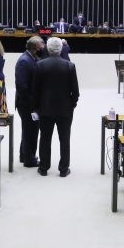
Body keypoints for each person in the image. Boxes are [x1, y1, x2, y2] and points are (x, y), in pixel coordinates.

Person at [31, 37, 79, 177]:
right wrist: (72, 105)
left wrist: (36, 108)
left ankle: (44, 167)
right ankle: (64, 169)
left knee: (45, 138)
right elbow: (75, 92)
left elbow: (36, 91)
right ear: (61, 49)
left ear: (47, 48)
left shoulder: (40, 65)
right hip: (65, 110)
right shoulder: (70, 65)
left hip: (45, 109)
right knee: (65, 139)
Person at [15, 36, 45, 167]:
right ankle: (30, 160)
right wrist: (32, 104)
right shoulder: (24, 61)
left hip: (27, 102)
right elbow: (22, 86)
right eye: (40, 47)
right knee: (31, 131)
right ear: (34, 48)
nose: (42, 49)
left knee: (27, 130)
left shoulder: (30, 58)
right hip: (26, 104)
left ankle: (24, 155)